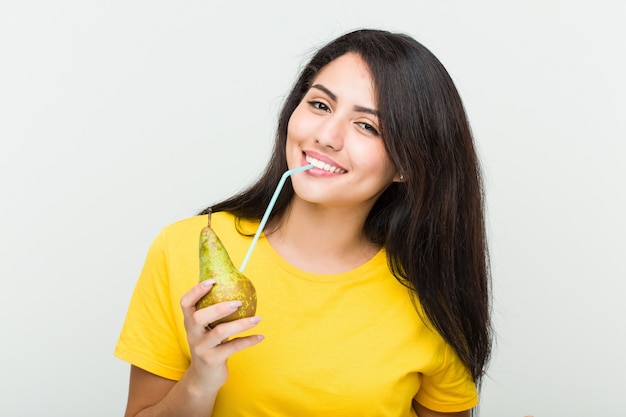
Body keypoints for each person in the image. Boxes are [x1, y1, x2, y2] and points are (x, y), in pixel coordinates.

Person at [115, 28, 492, 417]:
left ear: (407, 165)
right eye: (320, 105)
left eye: (367, 126)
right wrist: (201, 379)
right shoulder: (182, 248)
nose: (326, 136)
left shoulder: (431, 295)